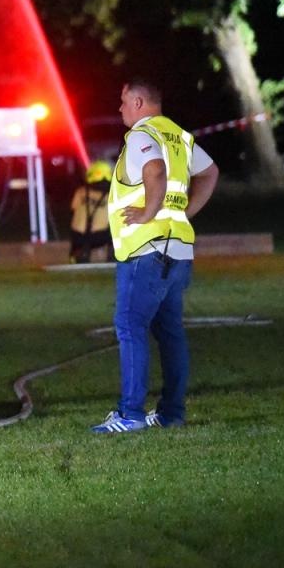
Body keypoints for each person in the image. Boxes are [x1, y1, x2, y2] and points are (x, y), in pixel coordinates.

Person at [92, 79, 219, 433]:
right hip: (177, 250)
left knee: (130, 327)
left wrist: (149, 213)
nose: (119, 109)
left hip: (147, 252)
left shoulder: (141, 136)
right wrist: (184, 212)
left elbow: (154, 171)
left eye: (121, 102)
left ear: (137, 101)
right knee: (170, 332)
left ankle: (130, 414)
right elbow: (210, 173)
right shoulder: (179, 136)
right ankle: (170, 413)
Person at [67, 160, 112, 263]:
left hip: (78, 236)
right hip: (100, 237)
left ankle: (76, 254)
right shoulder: (112, 195)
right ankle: (112, 255)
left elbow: (73, 210)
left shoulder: (80, 192)